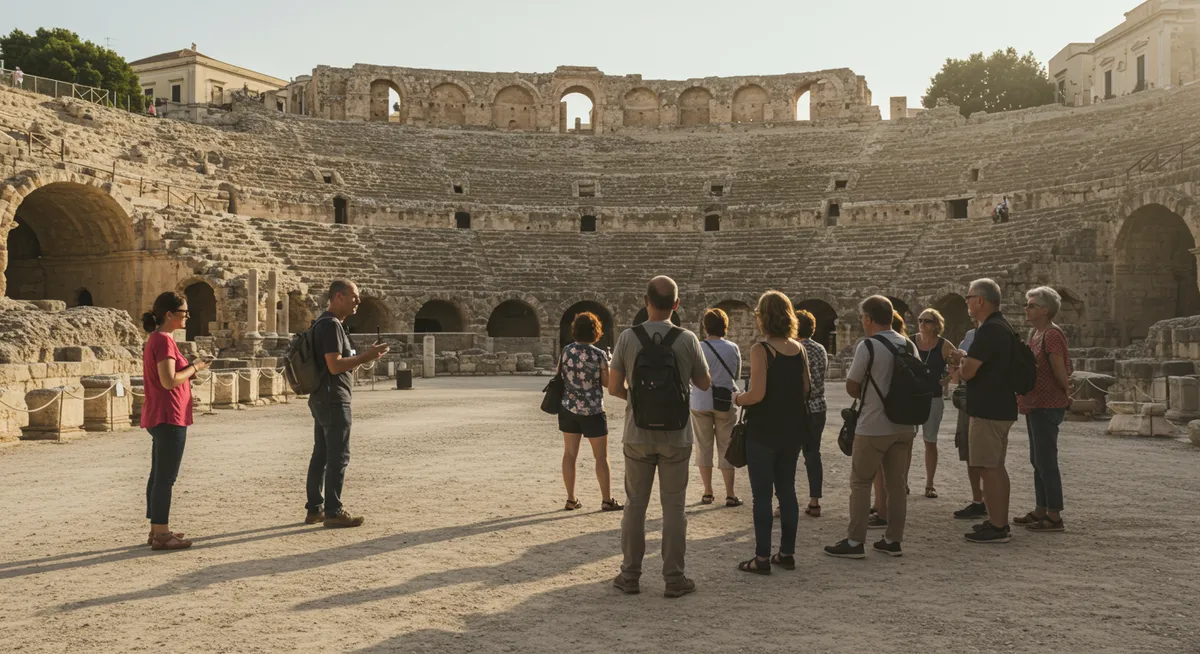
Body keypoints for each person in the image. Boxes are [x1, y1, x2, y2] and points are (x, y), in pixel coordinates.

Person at [609, 276, 710, 598]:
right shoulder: (688, 338)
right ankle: (674, 578)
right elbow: (704, 383)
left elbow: (613, 388)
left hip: (637, 434)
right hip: (676, 436)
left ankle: (630, 576)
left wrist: (639, 403)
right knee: (674, 508)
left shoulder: (627, 338)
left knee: (635, 506)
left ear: (645, 301)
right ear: (676, 305)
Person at [825, 295, 917, 559]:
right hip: (904, 424)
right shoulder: (908, 344)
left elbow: (852, 385)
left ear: (868, 318)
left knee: (861, 482)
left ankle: (855, 542)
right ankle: (893, 540)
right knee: (897, 484)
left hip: (874, 424)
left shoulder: (868, 346)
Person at [732, 291, 810, 574]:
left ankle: (762, 558)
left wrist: (738, 398)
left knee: (762, 496)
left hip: (764, 429)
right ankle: (786, 553)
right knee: (787, 490)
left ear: (763, 318)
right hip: (792, 428)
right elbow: (805, 389)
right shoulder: (799, 349)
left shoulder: (761, 350)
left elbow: (757, 394)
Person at [304, 280, 389, 528]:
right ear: (339, 297)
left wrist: (363, 355)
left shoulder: (325, 323)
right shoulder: (331, 325)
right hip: (333, 398)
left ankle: (315, 509)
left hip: (321, 396)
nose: (358, 302)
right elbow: (334, 365)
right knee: (338, 455)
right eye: (355, 297)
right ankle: (333, 511)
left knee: (320, 453)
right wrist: (366, 357)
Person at [141, 291, 209, 551]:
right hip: (169, 415)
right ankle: (161, 533)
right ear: (169, 315)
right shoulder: (163, 341)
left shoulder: (158, 339)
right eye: (183, 312)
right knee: (165, 478)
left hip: (161, 414)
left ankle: (156, 528)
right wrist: (195, 368)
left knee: (158, 475)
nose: (188, 317)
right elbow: (169, 381)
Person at [958, 278, 1018, 544]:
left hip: (988, 408)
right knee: (995, 467)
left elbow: (970, 371)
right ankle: (998, 519)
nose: (968, 303)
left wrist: (959, 366)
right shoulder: (1003, 326)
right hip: (1002, 405)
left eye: (969, 298)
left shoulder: (988, 330)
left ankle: (997, 526)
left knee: (987, 466)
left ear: (980, 300)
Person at [1015, 287, 1072, 532]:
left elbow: (1059, 368)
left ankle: (1054, 515)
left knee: (1046, 460)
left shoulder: (1052, 334)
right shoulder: (1036, 333)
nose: (1026, 309)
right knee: (1037, 459)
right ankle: (1041, 508)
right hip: (1034, 402)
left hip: (1047, 403)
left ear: (1044, 310)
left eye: (1031, 305)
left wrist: (1067, 393)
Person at [557, 311, 622, 512]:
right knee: (601, 457)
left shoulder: (566, 351)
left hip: (569, 407)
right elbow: (606, 383)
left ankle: (571, 498)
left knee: (569, 454)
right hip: (593, 409)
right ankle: (606, 499)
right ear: (596, 331)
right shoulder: (598, 354)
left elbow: (559, 374)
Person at [690, 307, 742, 507]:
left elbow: (691, 374)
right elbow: (735, 374)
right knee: (726, 447)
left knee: (703, 447)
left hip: (700, 400)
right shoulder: (732, 347)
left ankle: (707, 492)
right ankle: (730, 494)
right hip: (725, 400)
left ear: (705, 327)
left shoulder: (698, 347)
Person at [914, 309, 958, 499]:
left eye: (927, 321)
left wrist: (948, 378)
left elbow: (957, 363)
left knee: (930, 441)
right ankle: (902, 482)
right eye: (920, 320)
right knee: (905, 441)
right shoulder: (910, 341)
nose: (922, 324)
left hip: (933, 397)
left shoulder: (943, 345)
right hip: (911, 398)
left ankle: (929, 484)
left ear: (936, 325)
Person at [951, 320, 988, 521]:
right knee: (968, 450)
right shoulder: (971, 334)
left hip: (984, 400)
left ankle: (990, 504)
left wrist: (964, 360)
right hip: (969, 399)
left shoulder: (994, 333)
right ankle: (978, 501)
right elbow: (959, 371)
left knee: (988, 457)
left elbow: (967, 369)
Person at [796, 309, 828, 517]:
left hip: (797, 409)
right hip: (818, 407)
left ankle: (783, 502)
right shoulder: (821, 349)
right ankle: (814, 501)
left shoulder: (793, 349)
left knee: (787, 457)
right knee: (813, 455)